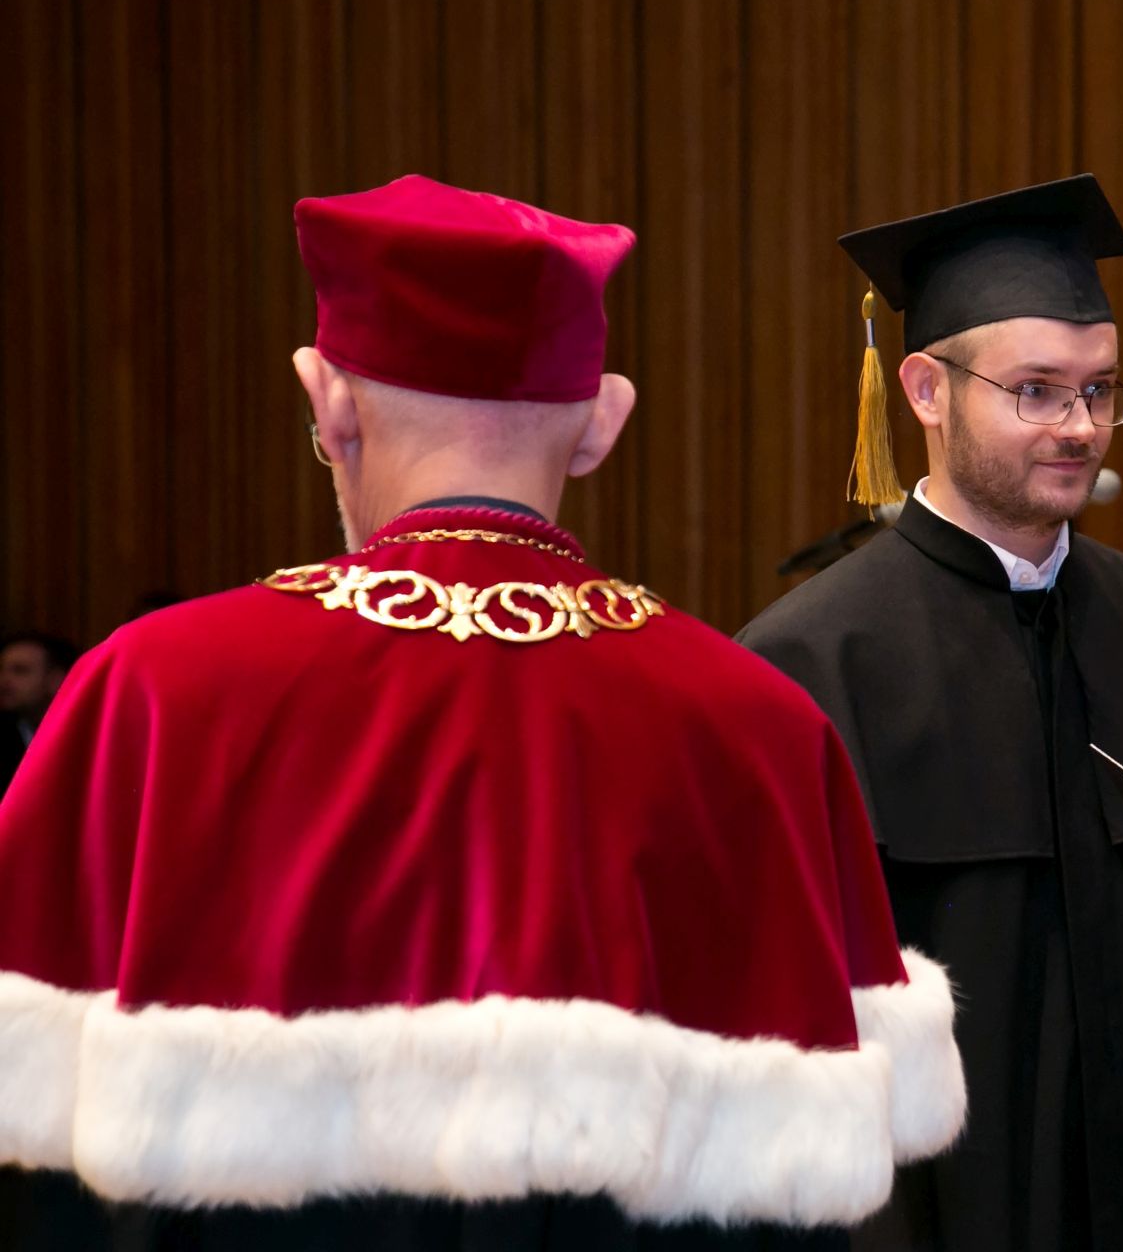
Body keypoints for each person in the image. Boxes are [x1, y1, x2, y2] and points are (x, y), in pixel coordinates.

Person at [0, 175, 964, 1250]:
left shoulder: (150, 689)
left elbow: (34, 1180)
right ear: (602, 423)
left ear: (329, 402)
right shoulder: (761, 726)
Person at [738, 175, 1123, 1251]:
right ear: (925, 391)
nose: (1080, 427)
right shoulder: (813, 662)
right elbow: (791, 1027)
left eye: (1100, 390)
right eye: (1036, 390)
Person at [0, 631, 77, 795]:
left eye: (20, 671)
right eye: (2, 670)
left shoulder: (84, 732)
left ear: (56, 679)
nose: (4, 681)